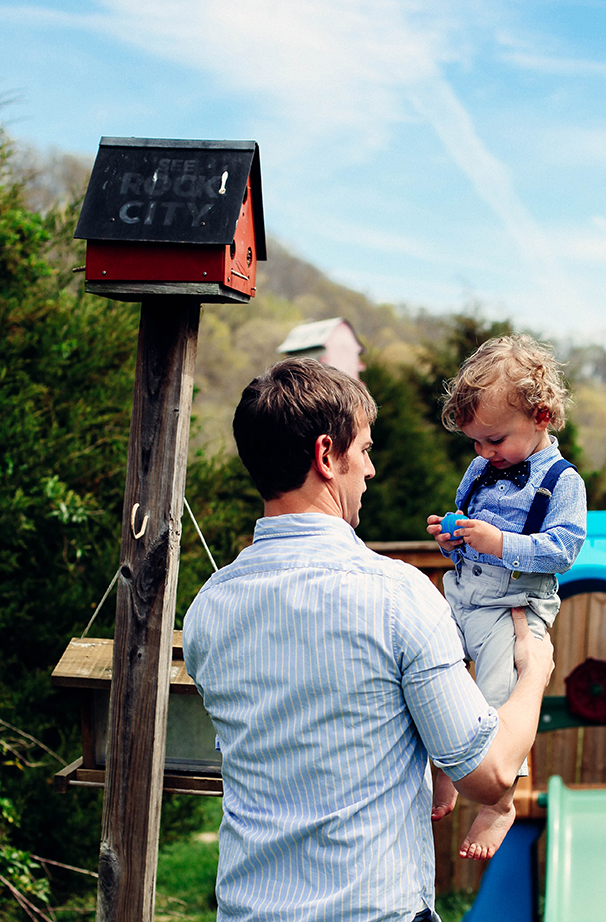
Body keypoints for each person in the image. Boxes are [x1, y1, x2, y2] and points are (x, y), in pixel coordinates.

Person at [184, 357, 554, 922]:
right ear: (327, 455)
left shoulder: (210, 606)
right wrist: (534, 674)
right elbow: (491, 774)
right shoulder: (398, 597)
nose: (372, 470)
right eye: (365, 450)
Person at [427, 334, 586, 862]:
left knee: (498, 694)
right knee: (430, 667)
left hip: (513, 607)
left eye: (493, 440)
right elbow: (470, 536)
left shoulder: (563, 482)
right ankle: (445, 771)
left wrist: (502, 544)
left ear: (541, 416)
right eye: (475, 443)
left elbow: (562, 550)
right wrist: (453, 539)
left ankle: (500, 800)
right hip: (466, 590)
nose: (484, 454)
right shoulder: (480, 470)